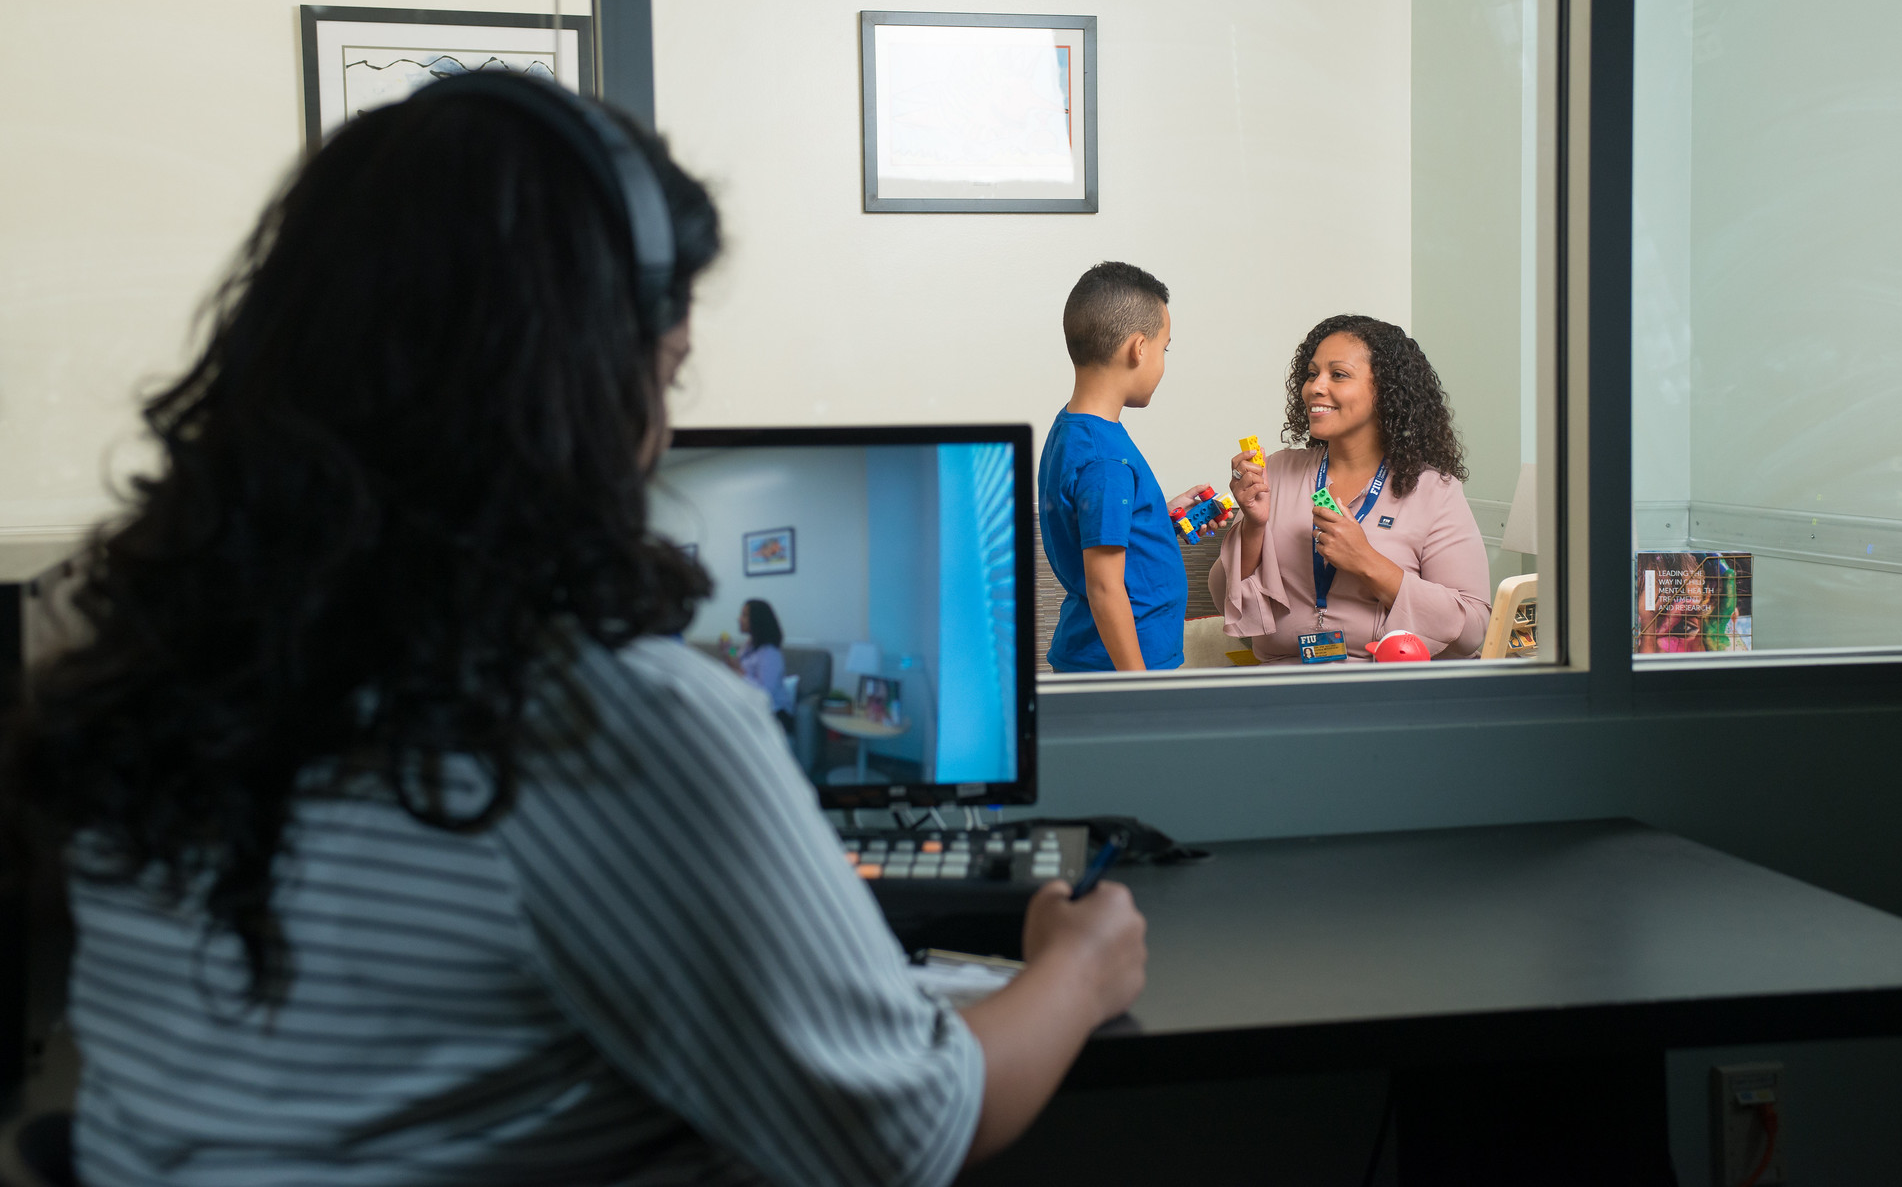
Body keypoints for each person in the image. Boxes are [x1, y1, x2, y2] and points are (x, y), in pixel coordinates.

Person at [0, 74, 1146, 1187]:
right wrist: (1076, 968)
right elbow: (905, 1132)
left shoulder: (137, 646)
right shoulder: (607, 714)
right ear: (579, 384)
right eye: (666, 371)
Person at [1211, 314, 1492, 662]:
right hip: (1283, 688)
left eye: (1338, 374)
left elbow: (1471, 630)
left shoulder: (1435, 491)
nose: (1315, 386)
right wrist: (1253, 527)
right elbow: (1226, 600)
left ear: (1386, 391)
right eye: (1312, 373)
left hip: (1381, 693)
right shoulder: (1277, 472)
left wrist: (1367, 562)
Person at [1038, 261, 1218, 673]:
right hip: (1121, 668)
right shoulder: (1105, 459)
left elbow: (1096, 525)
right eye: (1164, 348)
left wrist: (1158, 519)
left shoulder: (1073, 429)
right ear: (1139, 349)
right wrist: (1138, 689)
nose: (1162, 361)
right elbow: (1104, 587)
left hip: (1101, 660)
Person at [728, 597, 795, 735]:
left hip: (774, 713)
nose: (739, 619)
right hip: (751, 706)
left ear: (757, 620)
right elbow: (737, 660)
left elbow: (764, 693)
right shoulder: (750, 644)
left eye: (744, 615)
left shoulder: (770, 653)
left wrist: (738, 671)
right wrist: (729, 649)